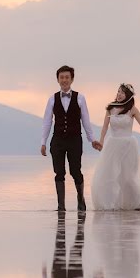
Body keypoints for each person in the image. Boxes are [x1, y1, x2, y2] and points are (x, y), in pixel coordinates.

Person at [90, 83, 140, 211]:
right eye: (118, 92)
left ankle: (132, 204)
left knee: (128, 177)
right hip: (113, 145)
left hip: (128, 146)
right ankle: (110, 204)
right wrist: (101, 142)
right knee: (110, 176)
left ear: (128, 95)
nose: (119, 94)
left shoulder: (132, 109)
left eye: (122, 92)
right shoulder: (110, 108)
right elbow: (104, 127)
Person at [41, 65, 101, 211]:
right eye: (61, 77)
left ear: (72, 79)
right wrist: (43, 142)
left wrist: (92, 139)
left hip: (75, 140)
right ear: (58, 79)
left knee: (75, 171)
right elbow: (47, 122)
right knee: (59, 172)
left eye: (67, 77)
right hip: (58, 141)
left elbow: (86, 120)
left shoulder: (80, 98)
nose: (64, 80)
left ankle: (81, 200)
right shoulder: (52, 99)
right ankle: (61, 206)